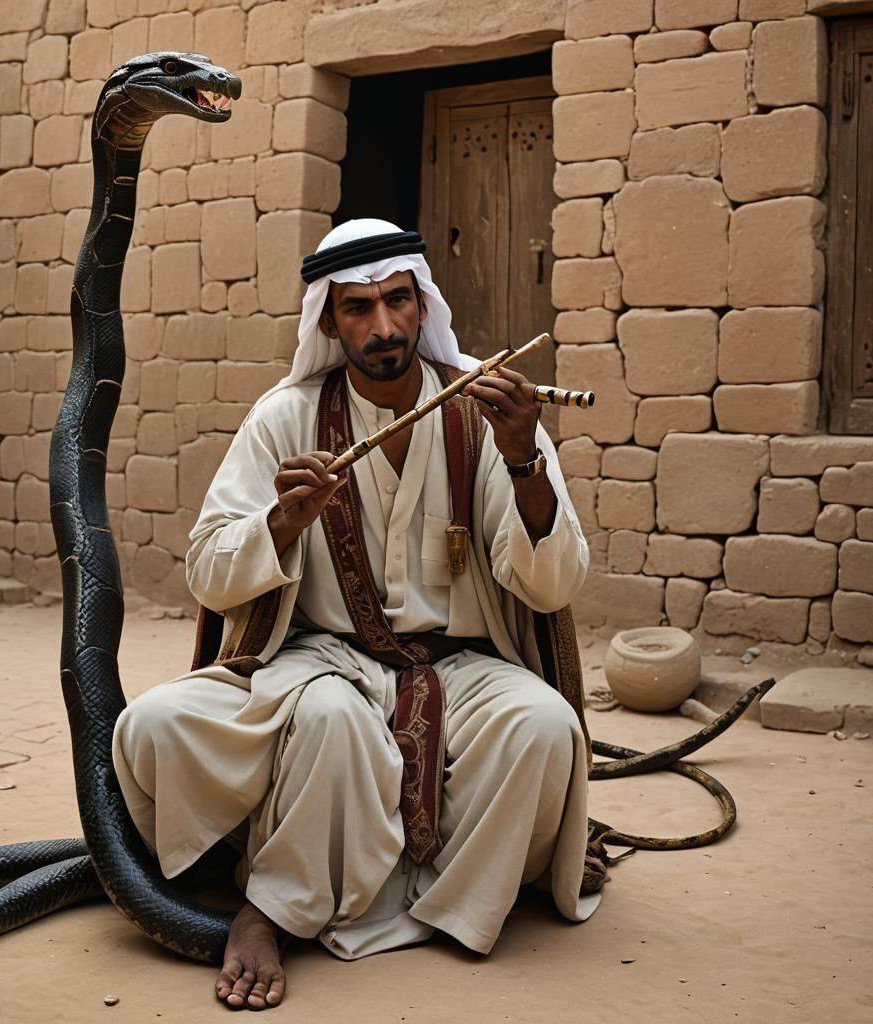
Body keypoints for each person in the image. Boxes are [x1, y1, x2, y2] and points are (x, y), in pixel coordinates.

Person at [112, 218, 599, 1012]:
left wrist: (523, 459)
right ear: (329, 322)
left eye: (397, 302)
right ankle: (276, 907)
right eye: (358, 309)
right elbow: (206, 565)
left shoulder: (484, 410)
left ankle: (443, 903)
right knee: (161, 726)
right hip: (320, 662)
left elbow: (552, 584)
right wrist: (280, 526)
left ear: (421, 303)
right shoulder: (285, 418)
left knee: (544, 729)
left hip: (461, 666)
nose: (382, 327)